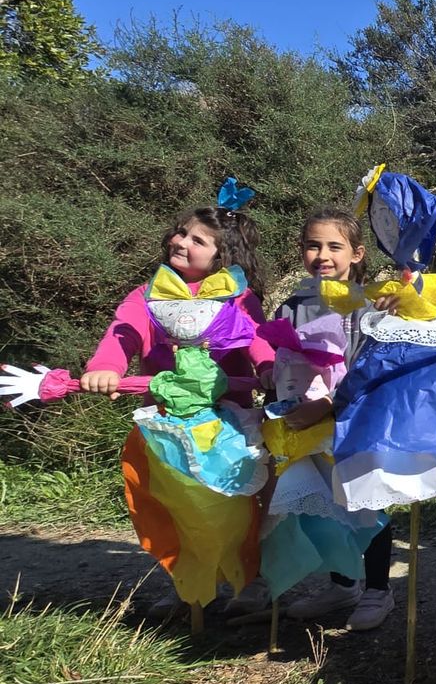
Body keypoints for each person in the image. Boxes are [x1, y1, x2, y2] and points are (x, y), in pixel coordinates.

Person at [80, 185, 275, 617]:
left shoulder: (239, 298)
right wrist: (105, 365)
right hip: (165, 422)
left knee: (234, 501)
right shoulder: (147, 294)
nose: (180, 242)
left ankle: (249, 581)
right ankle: (188, 582)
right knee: (171, 501)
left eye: (197, 240)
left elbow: (258, 340)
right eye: (180, 232)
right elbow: (123, 331)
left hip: (226, 422)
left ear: (222, 258)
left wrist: (269, 369)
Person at [274, 208, 396, 631]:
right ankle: (342, 583)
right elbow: (281, 360)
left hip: (354, 420)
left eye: (334, 246)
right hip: (306, 425)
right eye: (313, 245)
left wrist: (326, 405)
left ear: (357, 254)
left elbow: (369, 368)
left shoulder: (367, 307)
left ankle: (379, 589)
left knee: (367, 501)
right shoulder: (291, 305)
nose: (322, 254)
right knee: (323, 504)